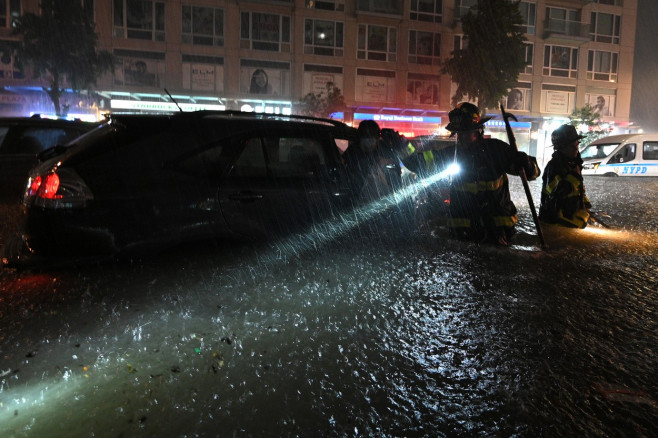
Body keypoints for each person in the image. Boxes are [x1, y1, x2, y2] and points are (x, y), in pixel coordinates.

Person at [444, 102, 541, 246]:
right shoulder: (451, 154)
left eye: (465, 133)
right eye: (458, 133)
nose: (461, 138)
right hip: (464, 233)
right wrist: (402, 148)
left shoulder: (496, 150)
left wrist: (525, 162)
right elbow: (420, 163)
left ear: (477, 130)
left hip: (499, 232)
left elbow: (533, 174)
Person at [538, 124, 591, 229]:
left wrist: (585, 203)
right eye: (574, 144)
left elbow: (578, 189)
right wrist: (574, 176)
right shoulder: (554, 166)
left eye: (577, 143)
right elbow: (556, 193)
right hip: (554, 222)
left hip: (570, 220)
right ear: (563, 147)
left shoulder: (573, 164)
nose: (577, 146)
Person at [342, 120, 406, 201]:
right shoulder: (353, 150)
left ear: (377, 138)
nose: (368, 140)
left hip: (383, 200)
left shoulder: (385, 151)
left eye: (371, 136)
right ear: (360, 137)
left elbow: (396, 183)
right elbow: (342, 167)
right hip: (357, 198)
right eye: (365, 136)